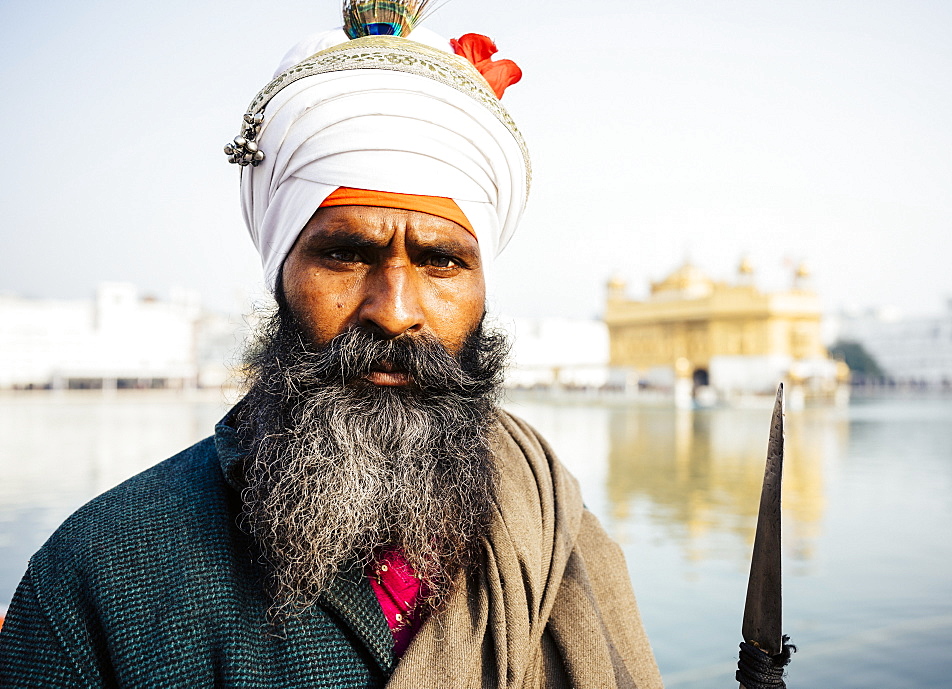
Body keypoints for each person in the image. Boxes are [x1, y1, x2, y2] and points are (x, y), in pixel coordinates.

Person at [0, 3, 661, 687]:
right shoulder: (103, 571)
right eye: (346, 254)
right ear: (281, 274)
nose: (397, 311)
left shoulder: (548, 519)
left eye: (440, 262)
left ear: (483, 291)